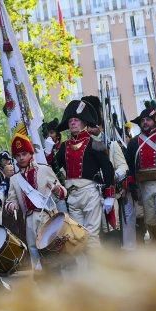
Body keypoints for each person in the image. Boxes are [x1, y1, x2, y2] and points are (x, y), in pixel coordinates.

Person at [54, 99, 114, 249]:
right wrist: (48, 153)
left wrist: (109, 195)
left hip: (90, 194)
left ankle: (99, 271)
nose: (73, 123)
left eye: (76, 120)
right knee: (79, 238)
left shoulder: (94, 143)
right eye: (70, 120)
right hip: (72, 196)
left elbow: (108, 168)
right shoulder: (64, 146)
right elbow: (53, 168)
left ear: (84, 123)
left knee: (92, 237)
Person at [5, 132, 66, 270]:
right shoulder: (14, 179)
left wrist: (57, 189)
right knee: (34, 252)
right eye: (18, 155)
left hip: (47, 215)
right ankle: (41, 283)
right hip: (29, 219)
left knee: (51, 250)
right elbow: (10, 200)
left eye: (24, 154)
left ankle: (58, 281)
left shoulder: (45, 170)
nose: (21, 158)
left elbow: (63, 193)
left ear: (31, 153)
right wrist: (12, 205)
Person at [81, 95, 133, 249]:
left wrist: (111, 177)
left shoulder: (111, 144)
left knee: (112, 238)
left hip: (108, 196)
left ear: (101, 126)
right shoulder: (81, 147)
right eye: (87, 126)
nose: (90, 130)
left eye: (93, 126)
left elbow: (123, 167)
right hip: (87, 198)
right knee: (92, 239)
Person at [124, 100, 156, 239]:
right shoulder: (134, 143)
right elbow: (130, 166)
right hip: (144, 186)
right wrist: (133, 187)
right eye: (143, 120)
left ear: (154, 121)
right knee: (151, 220)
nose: (145, 122)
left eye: (148, 120)